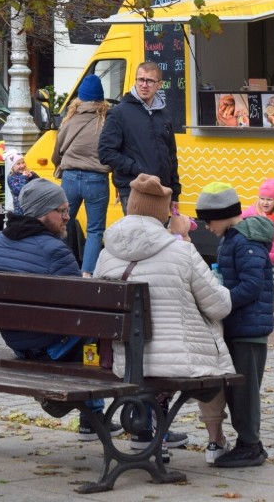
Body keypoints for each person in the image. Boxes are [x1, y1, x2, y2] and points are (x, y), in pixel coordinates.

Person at [93, 174, 233, 463]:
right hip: (177, 362)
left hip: (124, 362)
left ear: (130, 207)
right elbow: (219, 306)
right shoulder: (181, 250)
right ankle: (215, 439)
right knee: (217, 339)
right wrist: (183, 238)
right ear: (165, 213)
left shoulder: (107, 252)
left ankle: (148, 432)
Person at [0, 178, 122, 440]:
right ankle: (93, 417)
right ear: (43, 213)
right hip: (48, 346)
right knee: (104, 326)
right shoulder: (55, 250)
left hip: (16, 341)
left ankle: (91, 418)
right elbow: (83, 303)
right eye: (62, 211)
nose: (68, 217)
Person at [195, 181, 274, 468]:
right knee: (237, 391)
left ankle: (250, 444)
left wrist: (223, 301)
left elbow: (252, 286)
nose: (206, 226)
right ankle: (248, 442)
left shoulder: (245, 240)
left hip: (248, 330)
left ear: (223, 214)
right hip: (239, 326)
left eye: (208, 220)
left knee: (245, 392)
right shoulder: (232, 238)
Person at [98, 62, 181, 214]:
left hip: (160, 190)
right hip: (133, 189)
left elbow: (171, 156)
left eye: (150, 81)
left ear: (159, 85)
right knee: (137, 237)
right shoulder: (119, 113)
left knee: (158, 237)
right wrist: (138, 168)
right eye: (140, 80)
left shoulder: (164, 116)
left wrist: (175, 192)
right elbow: (105, 152)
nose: (144, 85)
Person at [52, 74, 111, 277]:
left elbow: (57, 150)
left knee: (61, 224)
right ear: (101, 99)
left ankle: (59, 269)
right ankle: (87, 274)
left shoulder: (71, 119)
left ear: (81, 97)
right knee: (95, 230)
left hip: (69, 177)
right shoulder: (107, 121)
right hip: (97, 179)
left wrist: (58, 165)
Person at [241, 178, 274, 264]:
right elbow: (237, 220)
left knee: (269, 278)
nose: (265, 203)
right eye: (262, 198)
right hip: (252, 259)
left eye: (269, 199)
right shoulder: (252, 212)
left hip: (268, 262)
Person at [4, 150, 38, 216]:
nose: (22, 165)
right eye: (18, 164)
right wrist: (24, 177)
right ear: (12, 167)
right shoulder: (11, 177)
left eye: (23, 162)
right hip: (21, 210)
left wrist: (33, 176)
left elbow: (39, 184)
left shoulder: (26, 174)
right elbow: (18, 190)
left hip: (32, 207)